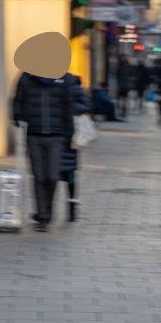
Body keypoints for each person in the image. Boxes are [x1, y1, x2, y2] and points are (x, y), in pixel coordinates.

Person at [12, 69, 78, 232]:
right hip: (34, 134)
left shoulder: (64, 78)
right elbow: (17, 101)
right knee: (39, 176)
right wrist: (18, 117)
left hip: (57, 135)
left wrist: (69, 134)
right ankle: (43, 216)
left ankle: (46, 210)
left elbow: (68, 107)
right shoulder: (27, 77)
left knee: (52, 176)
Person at [60, 82, 92, 222]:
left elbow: (86, 105)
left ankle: (72, 205)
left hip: (70, 137)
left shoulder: (72, 83)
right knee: (51, 175)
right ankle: (46, 210)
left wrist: (68, 108)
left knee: (70, 173)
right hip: (53, 134)